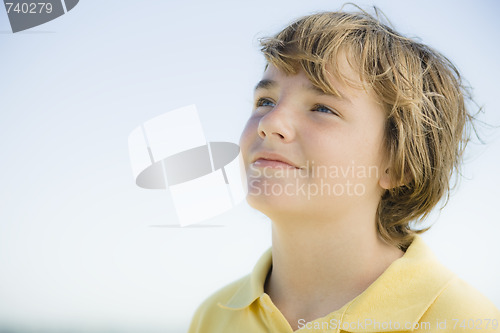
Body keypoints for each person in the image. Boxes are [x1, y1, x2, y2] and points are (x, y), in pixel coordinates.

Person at [188, 6, 500, 332]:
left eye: (322, 107)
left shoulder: (462, 320)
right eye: (265, 101)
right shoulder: (213, 317)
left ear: (398, 165)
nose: (270, 122)